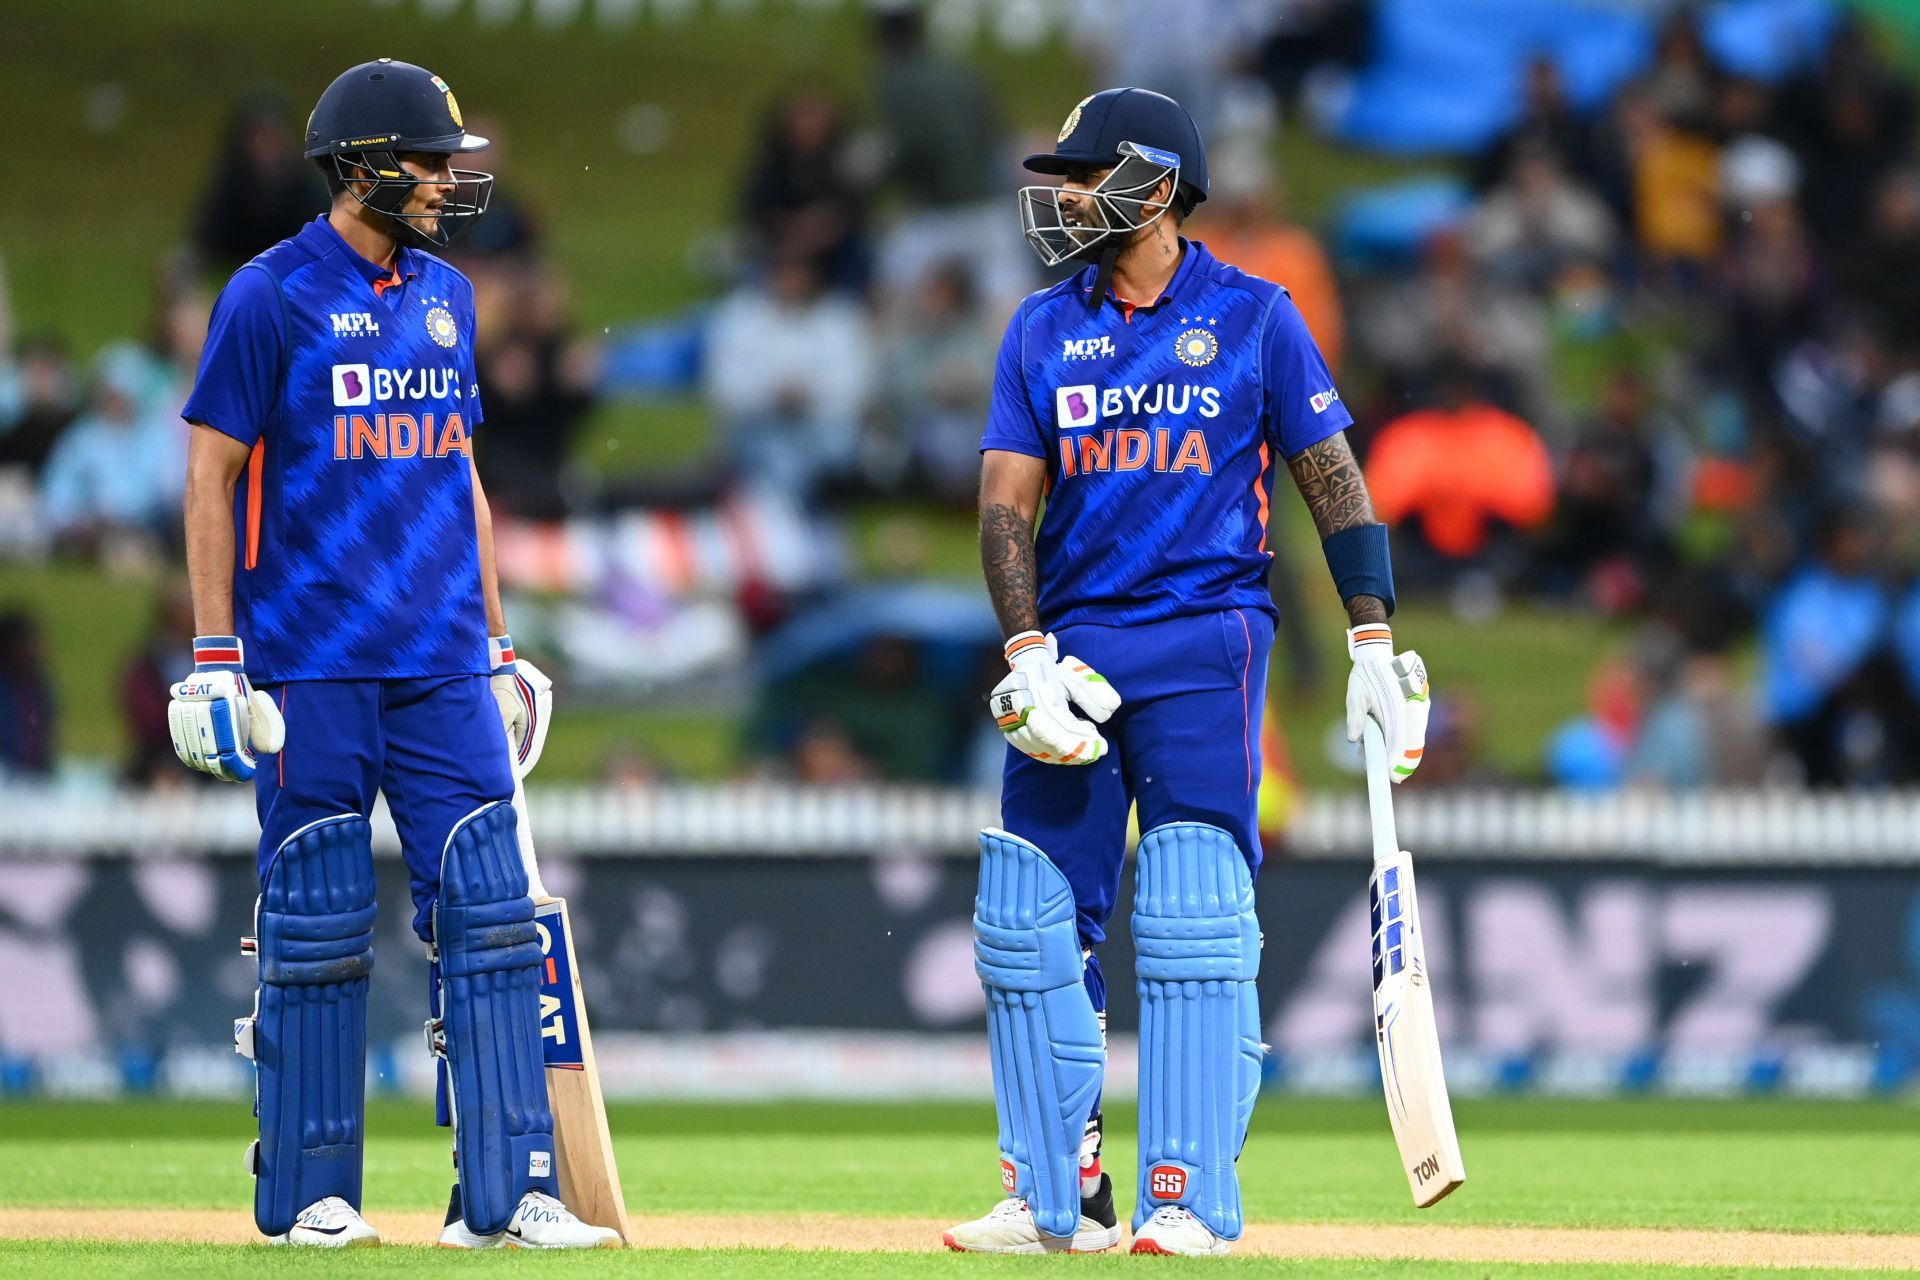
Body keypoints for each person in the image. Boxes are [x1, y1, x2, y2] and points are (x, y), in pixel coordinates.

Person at [944, 87, 1429, 1258]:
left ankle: (1188, 1192)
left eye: (1083, 174)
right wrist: (1025, 651)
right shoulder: (1039, 329)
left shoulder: (1258, 316)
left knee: (1193, 904)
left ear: (1155, 186)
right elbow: (1006, 508)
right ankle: (1055, 1190)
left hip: (1208, 634)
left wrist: (1372, 640)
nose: (1061, 198)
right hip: (1072, 651)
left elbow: (1334, 481)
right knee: (1027, 913)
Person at [167, 59, 612, 1250]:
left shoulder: (451, 297)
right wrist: (216, 652)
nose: (444, 181)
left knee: (492, 912)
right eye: (425, 161)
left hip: (439, 660)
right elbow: (211, 471)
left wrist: (500, 639)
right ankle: (313, 1194)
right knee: (315, 916)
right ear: (361, 166)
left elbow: (456, 467)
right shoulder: (267, 296)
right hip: (310, 658)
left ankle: (508, 1193)